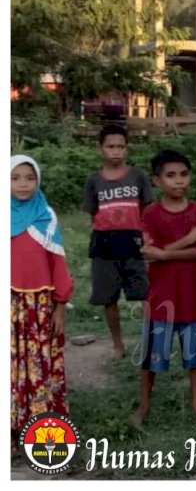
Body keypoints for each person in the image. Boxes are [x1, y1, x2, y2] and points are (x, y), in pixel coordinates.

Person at [135, 149, 196, 426]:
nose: (178, 181)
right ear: (157, 180)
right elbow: (149, 252)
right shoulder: (150, 213)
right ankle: (144, 407)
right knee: (150, 358)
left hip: (191, 297)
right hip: (160, 298)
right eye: (170, 176)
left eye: (183, 174)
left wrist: (166, 254)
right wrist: (188, 239)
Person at [11, 155, 74, 446]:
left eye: (29, 178)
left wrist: (60, 305)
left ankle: (38, 424)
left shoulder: (45, 217)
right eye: (15, 178)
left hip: (39, 307)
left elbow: (58, 263)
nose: (23, 184)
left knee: (39, 362)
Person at [82, 123, 154, 358]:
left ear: (127, 149)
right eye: (110, 147)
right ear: (100, 149)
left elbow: (147, 210)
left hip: (133, 242)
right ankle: (117, 344)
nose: (115, 152)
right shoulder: (94, 180)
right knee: (108, 297)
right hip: (104, 244)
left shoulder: (138, 176)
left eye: (120, 147)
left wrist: (147, 239)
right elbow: (94, 212)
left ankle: (151, 343)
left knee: (145, 293)